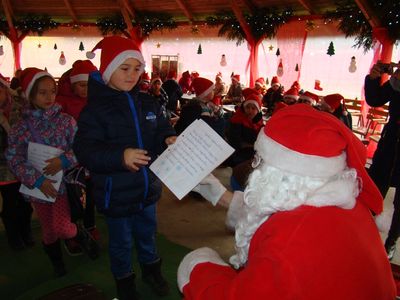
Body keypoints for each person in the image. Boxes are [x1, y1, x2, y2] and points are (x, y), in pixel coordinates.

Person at [178, 104, 396, 300]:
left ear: (280, 169)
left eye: (259, 160)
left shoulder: (287, 244)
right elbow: (278, 208)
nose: (256, 167)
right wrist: (218, 193)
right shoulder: (347, 205)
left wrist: (198, 265)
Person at [73, 36, 177, 300]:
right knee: (121, 243)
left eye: (137, 68)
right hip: (115, 193)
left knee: (147, 235)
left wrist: (167, 137)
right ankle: (124, 283)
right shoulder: (95, 111)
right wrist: (120, 156)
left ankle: (152, 271)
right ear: (108, 70)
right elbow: (85, 150)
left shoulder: (147, 102)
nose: (132, 75)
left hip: (146, 190)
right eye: (124, 68)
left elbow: (160, 127)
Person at [5, 68, 98, 277]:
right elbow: (14, 157)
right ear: (30, 94)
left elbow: (83, 147)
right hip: (39, 189)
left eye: (52, 91)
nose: (49, 97)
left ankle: (80, 235)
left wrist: (64, 160)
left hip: (64, 186)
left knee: (62, 227)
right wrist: (36, 180)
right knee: (48, 231)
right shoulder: (21, 128)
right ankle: (57, 263)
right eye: (42, 92)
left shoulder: (66, 121)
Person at [56, 59, 101, 255]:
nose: (86, 90)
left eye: (90, 86)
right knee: (72, 197)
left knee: (91, 194)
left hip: (91, 157)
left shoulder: (97, 101)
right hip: (70, 159)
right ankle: (72, 232)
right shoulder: (61, 102)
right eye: (82, 85)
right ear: (73, 84)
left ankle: (90, 226)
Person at [364, 62, 400, 259]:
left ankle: (391, 242)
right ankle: (364, 233)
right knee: (375, 188)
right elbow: (375, 99)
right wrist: (374, 78)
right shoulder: (397, 77)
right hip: (390, 142)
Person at [0, 74, 34, 251]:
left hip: (23, 162)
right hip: (3, 167)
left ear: (5, 90)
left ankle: (26, 230)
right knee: (10, 202)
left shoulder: (20, 107)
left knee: (26, 203)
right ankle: (14, 237)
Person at [226, 88, 264, 167]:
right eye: (247, 107)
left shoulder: (259, 122)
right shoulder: (237, 121)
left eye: (253, 108)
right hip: (239, 153)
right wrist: (253, 146)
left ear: (258, 111)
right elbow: (235, 142)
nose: (250, 110)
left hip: (253, 151)